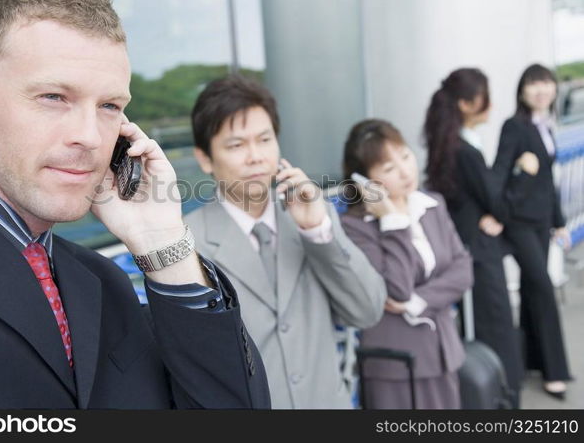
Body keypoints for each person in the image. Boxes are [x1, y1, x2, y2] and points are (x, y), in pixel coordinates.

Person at [0, 0, 270, 409]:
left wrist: (166, 247)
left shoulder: (105, 283)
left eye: (109, 106)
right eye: (53, 97)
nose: (89, 136)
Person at [185, 75, 386, 409]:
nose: (255, 157)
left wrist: (317, 231)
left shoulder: (312, 216)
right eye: (236, 145)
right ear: (205, 158)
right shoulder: (187, 244)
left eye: (264, 139)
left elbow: (366, 310)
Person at [340, 119, 473, 409]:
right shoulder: (355, 228)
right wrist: (392, 221)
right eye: (388, 168)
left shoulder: (431, 204)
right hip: (395, 365)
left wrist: (419, 301)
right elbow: (396, 288)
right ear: (365, 181)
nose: (404, 171)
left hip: (443, 354)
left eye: (405, 156)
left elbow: (463, 270)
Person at [422, 68, 524, 407]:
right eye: (485, 97)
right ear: (467, 104)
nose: (491, 105)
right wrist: (520, 173)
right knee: (497, 332)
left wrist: (492, 212)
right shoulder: (466, 150)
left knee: (480, 328)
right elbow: (496, 199)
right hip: (479, 252)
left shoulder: (447, 144)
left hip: (466, 247)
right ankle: (506, 401)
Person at [492, 63, 573, 400]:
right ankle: (555, 371)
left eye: (546, 83)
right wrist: (500, 210)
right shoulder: (515, 126)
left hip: (540, 221)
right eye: (534, 84)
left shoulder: (545, 126)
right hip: (518, 222)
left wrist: (557, 221)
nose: (542, 89)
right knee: (542, 286)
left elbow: (546, 181)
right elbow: (499, 176)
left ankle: (529, 360)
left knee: (530, 289)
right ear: (522, 90)